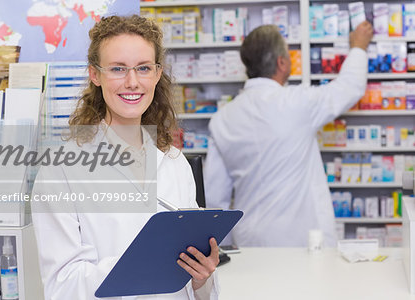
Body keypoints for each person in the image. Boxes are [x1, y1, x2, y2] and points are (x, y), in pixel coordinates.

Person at [31, 15, 219, 299]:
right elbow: (62, 285)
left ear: (157, 74)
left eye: (143, 68)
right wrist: (137, 263)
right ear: (95, 74)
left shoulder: (174, 163)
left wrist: (201, 278)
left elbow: (195, 288)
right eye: (118, 68)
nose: (132, 82)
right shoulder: (60, 170)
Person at [204, 21, 374, 247]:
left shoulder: (222, 120)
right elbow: (348, 87)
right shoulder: (297, 103)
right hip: (303, 242)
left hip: (250, 243)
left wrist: (221, 253)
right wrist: (359, 47)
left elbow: (216, 198)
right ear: (281, 63)